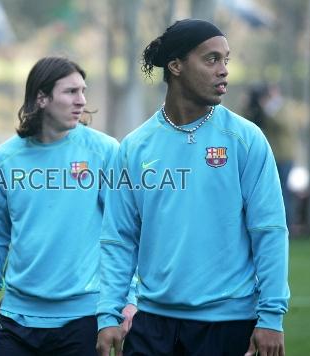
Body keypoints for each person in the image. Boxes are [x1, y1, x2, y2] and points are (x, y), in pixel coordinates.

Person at [96, 19, 290, 356]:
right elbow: (120, 237)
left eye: (226, 60)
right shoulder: (134, 147)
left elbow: (269, 231)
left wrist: (271, 316)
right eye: (211, 59)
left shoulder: (246, 139)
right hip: (151, 324)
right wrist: (108, 313)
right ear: (176, 66)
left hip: (228, 326)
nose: (224, 71)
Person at [0, 56, 134, 355]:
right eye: (71, 92)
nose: (81, 101)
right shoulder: (3, 159)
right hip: (17, 319)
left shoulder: (105, 151)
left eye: (83, 91)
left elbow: (125, 231)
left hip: (85, 318)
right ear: (42, 98)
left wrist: (129, 296)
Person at [243, 83, 295, 228]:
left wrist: (267, 107)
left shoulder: (283, 107)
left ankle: (287, 225)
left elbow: (283, 125)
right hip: (269, 156)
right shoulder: (261, 108)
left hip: (283, 156)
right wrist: (250, 105)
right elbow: (250, 123)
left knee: (282, 192)